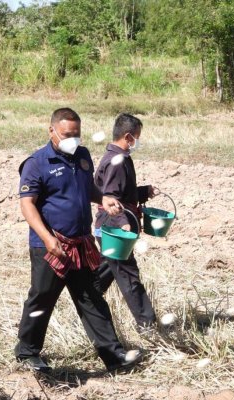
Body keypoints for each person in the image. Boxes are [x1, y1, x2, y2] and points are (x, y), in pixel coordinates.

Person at [15, 108, 142, 373]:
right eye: (66, 134)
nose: (73, 139)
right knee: (41, 298)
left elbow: (87, 189)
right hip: (52, 246)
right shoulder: (37, 163)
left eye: (77, 134)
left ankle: (114, 355)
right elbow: (27, 205)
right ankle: (27, 352)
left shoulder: (83, 156)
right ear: (51, 131)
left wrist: (102, 198)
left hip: (80, 244)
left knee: (92, 298)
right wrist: (48, 239)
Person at [93, 113, 159, 332]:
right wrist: (123, 222)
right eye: (137, 137)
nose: (138, 141)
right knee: (128, 275)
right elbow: (110, 197)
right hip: (114, 229)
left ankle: (86, 303)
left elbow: (123, 193)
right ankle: (147, 324)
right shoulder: (116, 162)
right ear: (128, 137)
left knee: (107, 271)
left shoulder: (120, 158)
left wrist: (144, 192)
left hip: (110, 226)